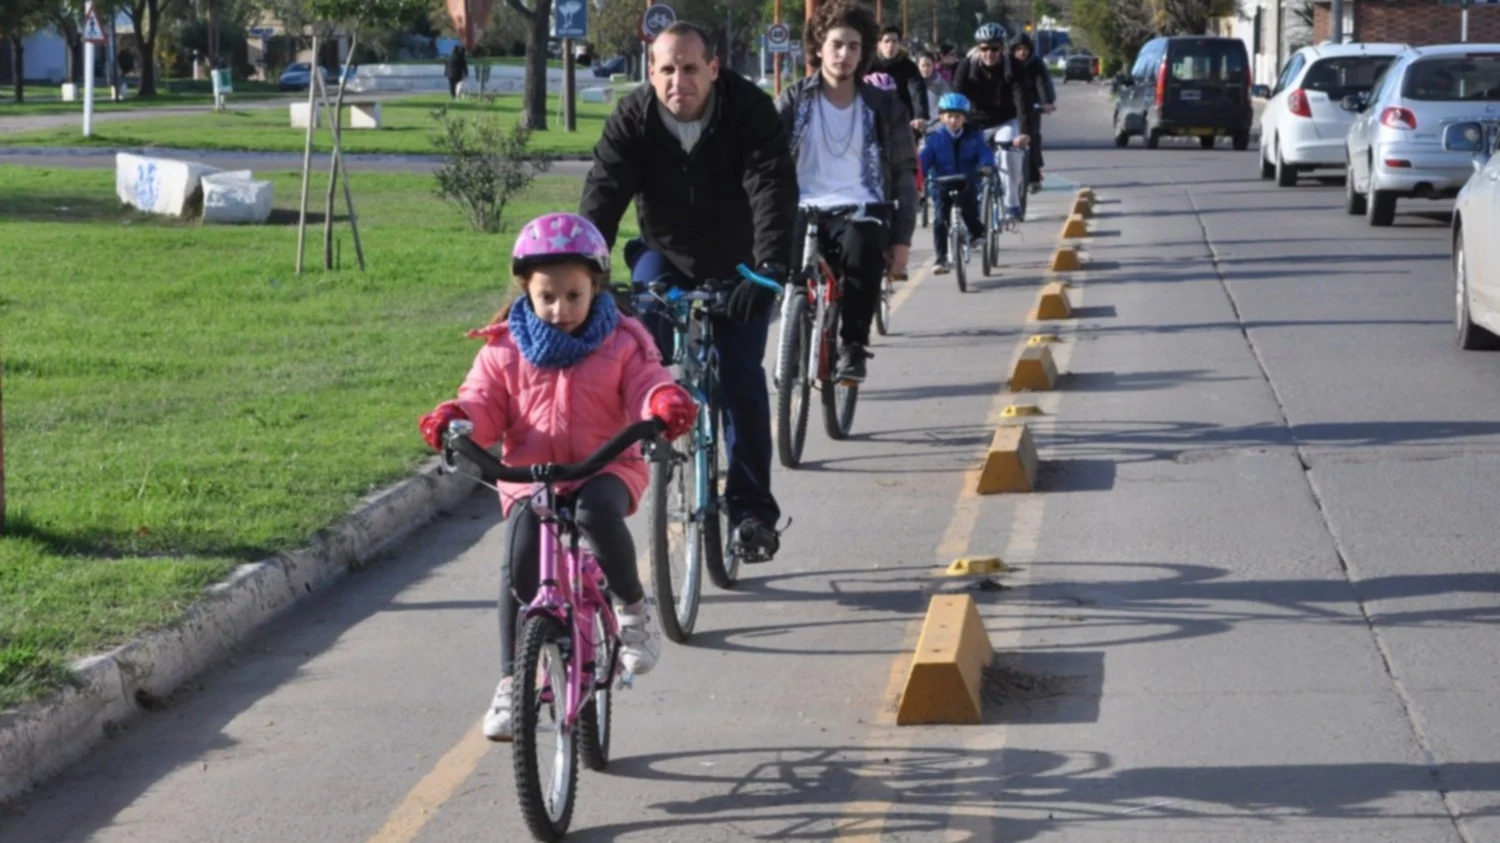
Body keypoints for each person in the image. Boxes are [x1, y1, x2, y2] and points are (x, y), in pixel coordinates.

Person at [418, 213, 698, 742]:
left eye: (574, 296)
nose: (561, 310)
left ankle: (633, 611)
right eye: (547, 297)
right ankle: (510, 682)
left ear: (596, 286)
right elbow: (483, 400)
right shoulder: (504, 348)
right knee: (518, 564)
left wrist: (663, 402)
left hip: (606, 464)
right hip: (531, 473)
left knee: (595, 513)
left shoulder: (623, 340)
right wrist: (456, 418)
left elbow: (645, 383)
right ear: (526, 290)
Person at [579, 20, 798, 562]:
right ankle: (632, 463)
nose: (681, 80)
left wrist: (770, 266)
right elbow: (603, 195)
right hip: (666, 256)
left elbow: (772, 184)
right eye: (668, 69)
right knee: (636, 350)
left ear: (714, 69)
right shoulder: (633, 118)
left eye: (692, 68)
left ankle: (751, 511)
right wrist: (584, 274)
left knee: (741, 376)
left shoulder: (748, 109)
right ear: (651, 72)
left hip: (742, 264)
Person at [776, 0, 918, 383]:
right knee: (777, 267)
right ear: (819, 45)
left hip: (860, 207)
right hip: (801, 208)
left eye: (853, 46)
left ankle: (853, 346)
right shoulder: (793, 101)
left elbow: (905, 175)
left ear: (864, 51)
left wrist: (902, 241)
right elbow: (765, 166)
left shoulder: (885, 108)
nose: (844, 54)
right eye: (836, 44)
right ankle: (793, 335)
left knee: (863, 248)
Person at [953, 22, 1031, 219]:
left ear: (1002, 48)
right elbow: (957, 97)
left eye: (994, 48)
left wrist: (1024, 132)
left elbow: (1022, 100)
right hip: (975, 122)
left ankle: (1011, 202)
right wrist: (954, 125)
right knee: (964, 159)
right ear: (978, 48)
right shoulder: (967, 66)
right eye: (984, 48)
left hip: (1005, 121)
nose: (989, 53)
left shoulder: (1013, 67)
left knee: (1008, 153)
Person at [921, 93, 993, 275]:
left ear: (965, 118)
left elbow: (985, 153)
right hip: (941, 184)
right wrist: (918, 176)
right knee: (940, 220)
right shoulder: (934, 138)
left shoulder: (974, 136)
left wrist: (986, 166)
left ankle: (977, 233)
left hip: (966, 181)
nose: (954, 121)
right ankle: (941, 259)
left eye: (958, 117)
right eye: (950, 116)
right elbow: (923, 160)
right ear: (941, 117)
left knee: (969, 209)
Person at [1008, 31, 1056, 192]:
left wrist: (1046, 102)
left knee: (1032, 137)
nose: (1022, 52)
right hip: (1010, 107)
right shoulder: (1007, 64)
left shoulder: (1035, 64)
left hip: (1031, 106)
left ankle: (1034, 177)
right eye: (1019, 49)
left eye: (1025, 49)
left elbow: (1042, 84)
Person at [869, 25, 929, 132]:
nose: (890, 45)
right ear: (879, 44)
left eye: (894, 41)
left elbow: (917, 91)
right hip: (871, 116)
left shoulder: (908, 66)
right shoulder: (868, 64)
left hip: (900, 118)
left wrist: (920, 115)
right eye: (886, 41)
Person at [917, 51, 952, 124]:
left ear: (933, 66)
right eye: (923, 65)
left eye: (928, 65)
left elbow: (947, 103)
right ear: (918, 66)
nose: (926, 69)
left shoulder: (940, 83)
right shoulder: (913, 83)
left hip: (935, 123)